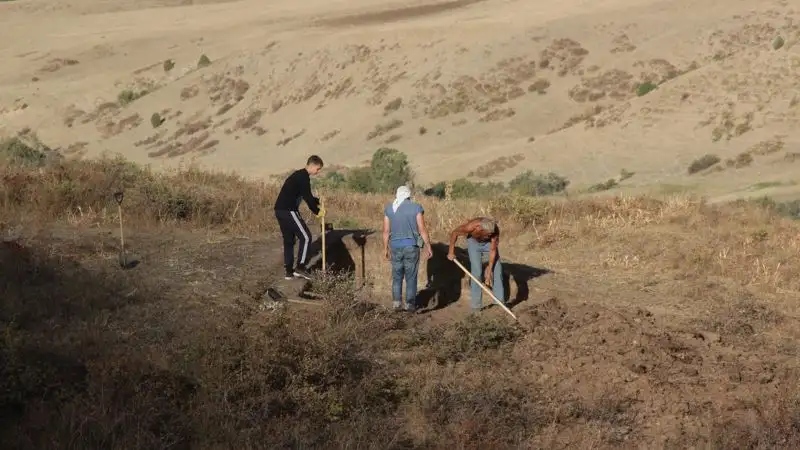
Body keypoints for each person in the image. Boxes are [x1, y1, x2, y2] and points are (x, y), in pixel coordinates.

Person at [274, 155, 326, 280]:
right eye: (318, 169)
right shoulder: (303, 177)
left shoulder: (298, 176)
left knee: (289, 240)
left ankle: (289, 272)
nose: (318, 172)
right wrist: (317, 211)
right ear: (312, 165)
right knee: (307, 237)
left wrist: (318, 201)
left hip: (280, 210)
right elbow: (307, 197)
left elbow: (305, 195)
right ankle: (300, 268)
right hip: (288, 210)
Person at [383, 185, 432, 312]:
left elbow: (386, 231)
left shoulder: (389, 209)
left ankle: (396, 304)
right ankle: (410, 305)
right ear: (409, 195)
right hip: (411, 246)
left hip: (395, 246)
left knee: (397, 276)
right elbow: (422, 229)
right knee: (411, 276)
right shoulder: (416, 207)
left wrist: (385, 248)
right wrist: (428, 246)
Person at [447, 217, 505, 313]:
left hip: (488, 245)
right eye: (488, 234)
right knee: (476, 272)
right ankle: (476, 306)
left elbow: (493, 251)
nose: (489, 235)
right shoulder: (470, 227)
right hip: (474, 243)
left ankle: (499, 303)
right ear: (480, 228)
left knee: (497, 269)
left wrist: (489, 270)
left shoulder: (494, 231)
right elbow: (454, 233)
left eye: (491, 234)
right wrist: (451, 251)